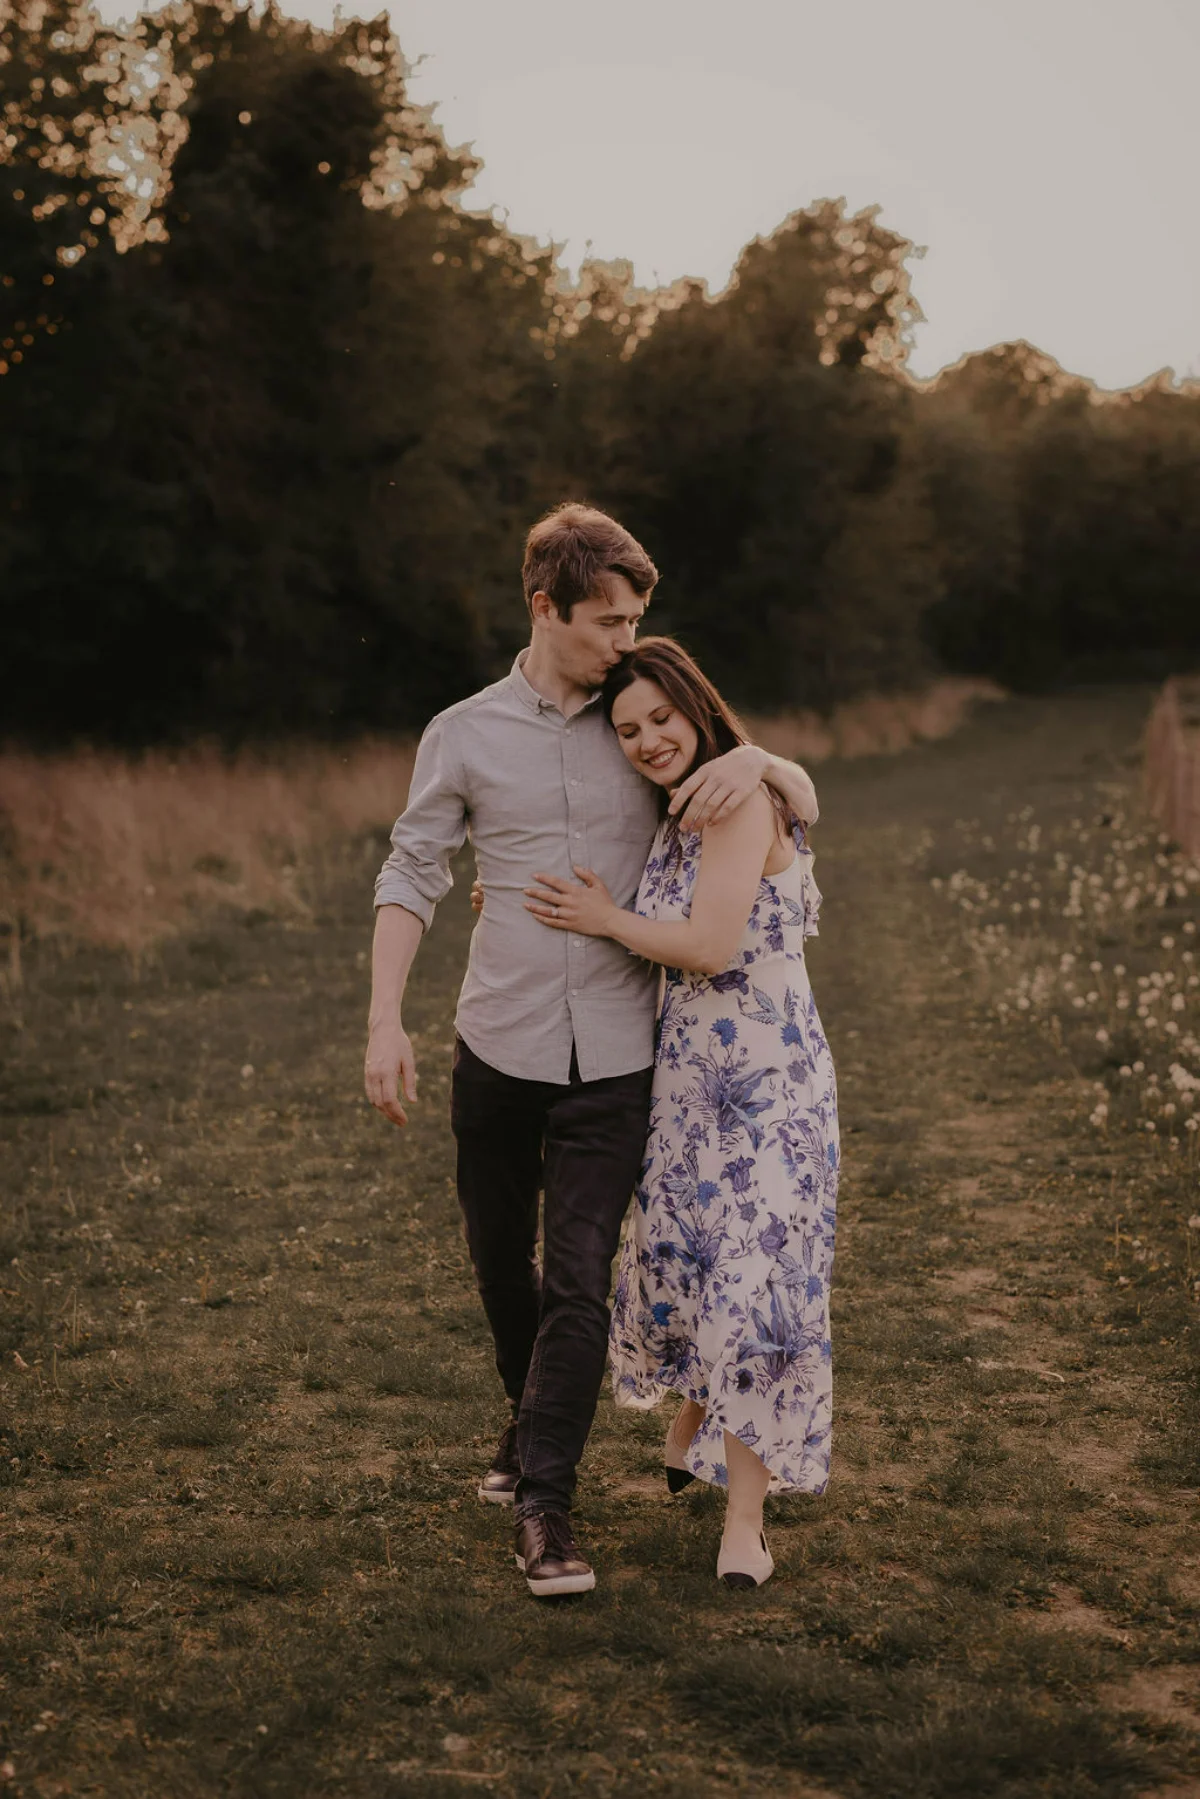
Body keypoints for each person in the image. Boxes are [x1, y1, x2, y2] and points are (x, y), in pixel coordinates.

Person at [364, 503, 819, 1599]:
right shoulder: (463, 733)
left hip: (619, 1061)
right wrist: (384, 1017)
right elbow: (411, 869)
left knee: (578, 1280)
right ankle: (527, 1426)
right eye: (607, 620)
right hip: (497, 1044)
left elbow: (778, 799)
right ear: (545, 607)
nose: (624, 639)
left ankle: (546, 1507)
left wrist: (761, 752)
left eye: (635, 619)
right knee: (498, 1265)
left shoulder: (644, 724)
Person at [524, 637, 837, 1590]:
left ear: (698, 706)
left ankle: (745, 1523)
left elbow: (704, 944)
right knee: (698, 1266)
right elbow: (806, 794)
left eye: (662, 717)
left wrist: (605, 918)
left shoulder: (739, 799)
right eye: (627, 728)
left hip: (771, 1093)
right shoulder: (686, 808)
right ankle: (696, 1417)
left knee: (758, 1289)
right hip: (690, 1086)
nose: (648, 739)